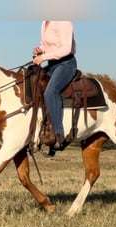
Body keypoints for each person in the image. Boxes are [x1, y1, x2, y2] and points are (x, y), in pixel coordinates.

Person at [33, 21, 77, 150]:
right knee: (34, 83)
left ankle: (58, 134)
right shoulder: (44, 23)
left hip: (66, 64)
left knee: (51, 91)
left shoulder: (64, 22)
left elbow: (66, 49)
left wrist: (43, 57)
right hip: (52, 64)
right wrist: (40, 49)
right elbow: (47, 45)